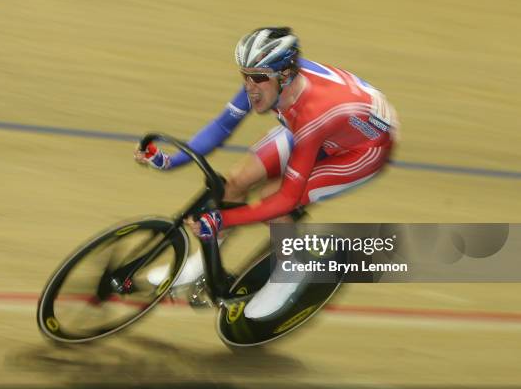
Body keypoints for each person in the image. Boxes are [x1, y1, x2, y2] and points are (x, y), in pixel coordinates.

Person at [135, 27, 398, 320]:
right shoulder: (265, 78)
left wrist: (224, 218)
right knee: (234, 182)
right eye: (244, 75)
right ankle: (202, 263)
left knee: (272, 196)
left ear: (284, 76)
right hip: (328, 126)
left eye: (257, 78)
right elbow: (222, 127)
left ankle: (289, 269)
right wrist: (172, 161)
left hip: (362, 150)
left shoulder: (311, 111)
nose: (249, 86)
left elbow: (285, 199)